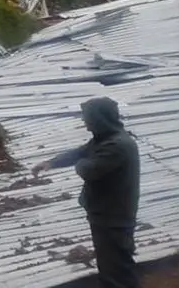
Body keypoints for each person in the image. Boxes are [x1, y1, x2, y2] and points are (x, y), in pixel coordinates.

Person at [32, 96, 141, 288]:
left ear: (100, 119)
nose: (85, 123)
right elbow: (79, 152)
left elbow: (89, 170)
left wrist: (81, 163)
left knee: (117, 268)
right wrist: (52, 163)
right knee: (109, 265)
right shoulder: (105, 139)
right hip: (105, 214)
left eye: (87, 118)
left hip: (114, 217)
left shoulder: (116, 146)